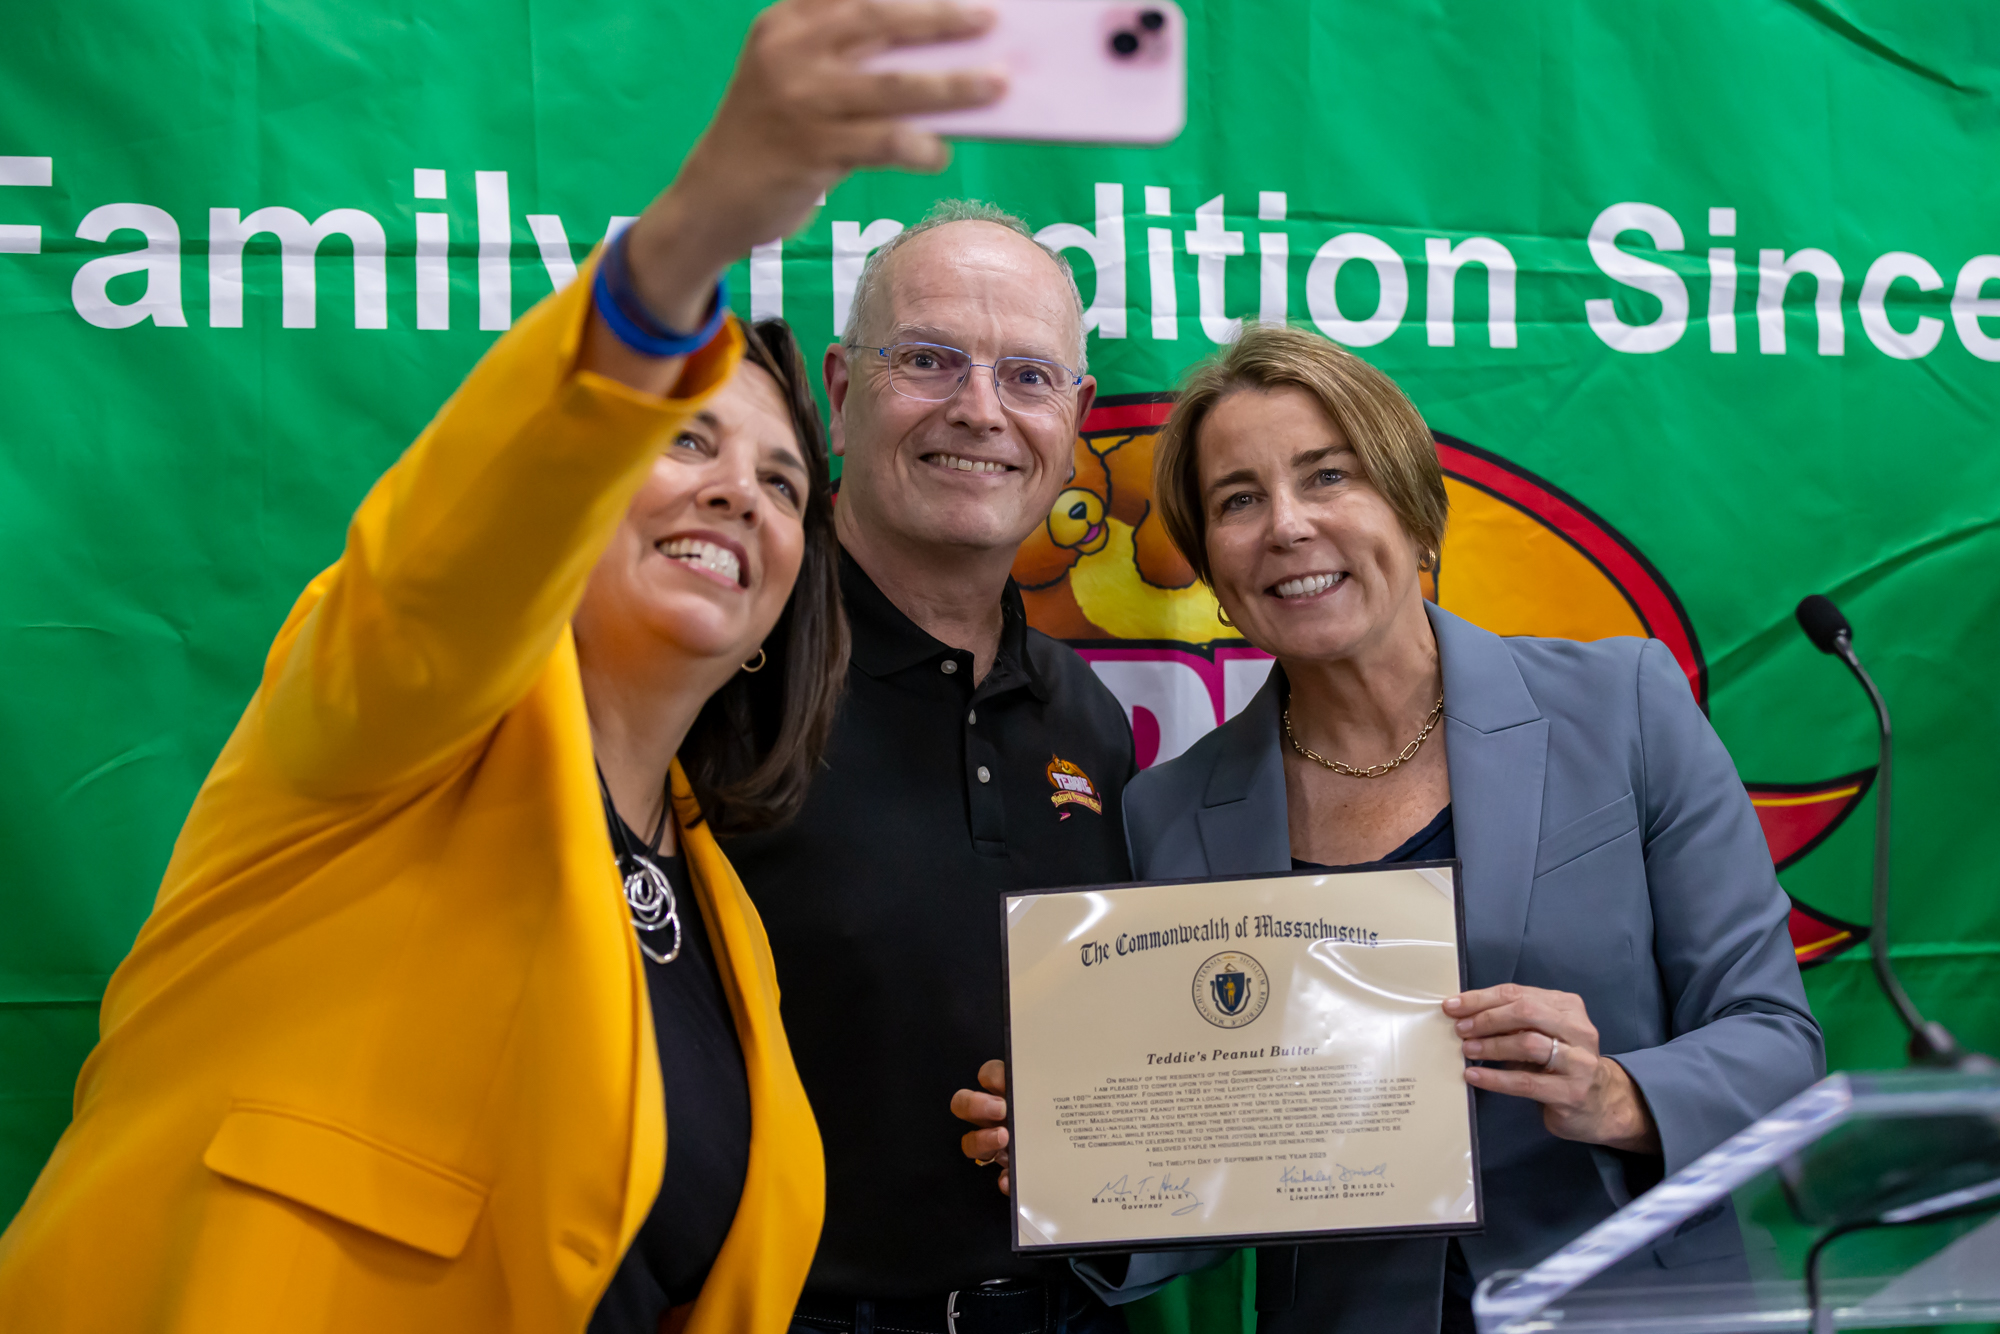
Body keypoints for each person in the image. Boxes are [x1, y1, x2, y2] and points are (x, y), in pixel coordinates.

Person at [0, 3, 1006, 1331]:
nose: (741, 499)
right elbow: (468, 533)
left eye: (778, 483)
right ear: (574, 498)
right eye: (689, 444)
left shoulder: (724, 925)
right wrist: (694, 234)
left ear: (778, 613)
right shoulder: (389, 721)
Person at [957, 323, 1826, 1333]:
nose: (1285, 525)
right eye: (1238, 499)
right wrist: (1082, 1153)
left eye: (1328, 476)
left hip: (1647, 1307)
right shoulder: (1171, 811)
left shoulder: (1623, 708)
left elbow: (1777, 1040)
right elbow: (1222, 1157)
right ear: (1211, 571)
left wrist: (1616, 1093)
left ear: (1413, 514)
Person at [721, 198, 1170, 1334]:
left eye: (1026, 377)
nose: (978, 410)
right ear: (838, 386)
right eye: (927, 360)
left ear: (1071, 420)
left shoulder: (1087, 718)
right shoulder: (711, 664)